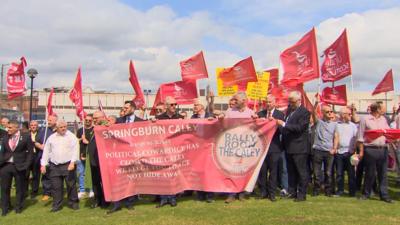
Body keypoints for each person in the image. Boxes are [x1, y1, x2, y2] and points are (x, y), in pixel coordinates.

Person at [107, 100, 144, 214]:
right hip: (120, 155)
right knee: (118, 179)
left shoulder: (141, 122)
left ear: (133, 108)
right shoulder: (119, 121)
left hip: (134, 155)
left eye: (126, 108)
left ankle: (129, 203)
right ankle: (117, 203)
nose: (124, 109)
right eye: (123, 108)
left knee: (131, 179)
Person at [276, 91, 310, 202]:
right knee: (291, 171)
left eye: (292, 102)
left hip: (299, 147)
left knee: (301, 172)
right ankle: (292, 191)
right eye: (289, 101)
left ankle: (302, 194)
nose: (290, 104)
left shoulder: (304, 112)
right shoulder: (289, 111)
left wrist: (284, 124)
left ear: (299, 100)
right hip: (289, 146)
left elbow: (300, 128)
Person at [222, 92, 256, 203]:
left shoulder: (251, 113)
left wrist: (257, 119)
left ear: (243, 101)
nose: (234, 102)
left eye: (236, 100)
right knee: (231, 170)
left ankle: (241, 192)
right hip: (232, 146)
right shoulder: (229, 112)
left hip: (245, 146)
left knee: (243, 170)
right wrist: (218, 118)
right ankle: (231, 193)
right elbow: (222, 123)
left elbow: (256, 127)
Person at [40, 120, 80, 212]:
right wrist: (43, 164)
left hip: (68, 164)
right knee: (56, 187)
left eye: (65, 127)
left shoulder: (71, 136)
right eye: (61, 127)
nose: (63, 128)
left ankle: (73, 203)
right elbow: (46, 151)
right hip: (54, 166)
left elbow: (75, 150)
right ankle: (56, 205)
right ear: (56, 128)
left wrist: (72, 162)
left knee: (71, 185)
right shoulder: (51, 138)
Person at [358, 102, 393, 203]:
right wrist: (361, 151)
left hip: (383, 149)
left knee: (383, 174)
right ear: (378, 109)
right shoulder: (365, 119)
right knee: (370, 173)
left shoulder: (384, 119)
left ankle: (384, 195)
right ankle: (366, 193)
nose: (385, 109)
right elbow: (360, 136)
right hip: (370, 149)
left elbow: (388, 132)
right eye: (383, 107)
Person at [155, 97, 184, 207]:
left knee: (173, 174)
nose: (174, 106)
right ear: (166, 106)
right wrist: (152, 123)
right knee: (163, 174)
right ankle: (163, 198)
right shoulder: (159, 118)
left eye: (175, 104)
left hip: (176, 151)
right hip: (162, 150)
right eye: (171, 105)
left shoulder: (180, 117)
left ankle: (172, 198)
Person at [0, 120, 33, 216]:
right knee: (5, 188)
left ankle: (18, 207)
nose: (7, 129)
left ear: (16, 128)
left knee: (20, 188)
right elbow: (2, 151)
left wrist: (26, 165)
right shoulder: (5, 137)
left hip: (20, 166)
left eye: (10, 127)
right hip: (6, 166)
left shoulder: (26, 137)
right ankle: (5, 208)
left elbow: (30, 153)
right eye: (7, 127)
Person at [256, 95, 284, 202]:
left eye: (270, 102)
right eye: (266, 102)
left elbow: (282, 130)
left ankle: (272, 193)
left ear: (274, 102)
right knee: (262, 171)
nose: (268, 104)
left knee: (273, 171)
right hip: (262, 147)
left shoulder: (280, 114)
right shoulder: (260, 114)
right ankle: (263, 192)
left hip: (274, 147)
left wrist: (275, 122)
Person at [191, 99, 215, 202]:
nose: (194, 107)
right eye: (194, 105)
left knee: (209, 172)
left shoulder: (210, 116)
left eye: (196, 105)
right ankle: (200, 195)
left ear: (202, 106)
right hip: (197, 148)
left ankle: (209, 195)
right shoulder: (193, 117)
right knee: (199, 172)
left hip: (208, 148)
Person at [311, 103, 337, 197]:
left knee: (328, 172)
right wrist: (316, 104)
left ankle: (328, 190)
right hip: (318, 150)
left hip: (329, 151)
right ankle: (316, 190)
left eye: (331, 111)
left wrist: (334, 148)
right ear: (322, 113)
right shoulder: (319, 122)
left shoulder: (335, 124)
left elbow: (336, 137)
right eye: (327, 112)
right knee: (316, 172)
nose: (330, 113)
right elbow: (313, 112)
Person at [333, 107, 357, 197]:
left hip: (350, 152)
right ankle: (340, 190)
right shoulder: (336, 125)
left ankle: (352, 192)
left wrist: (355, 150)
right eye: (349, 114)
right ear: (343, 115)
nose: (350, 115)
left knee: (351, 173)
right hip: (339, 152)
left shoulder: (353, 126)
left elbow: (356, 138)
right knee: (339, 173)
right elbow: (335, 137)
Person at [34, 114, 58, 201]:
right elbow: (36, 142)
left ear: (56, 121)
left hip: (56, 157)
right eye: (48, 120)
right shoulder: (43, 130)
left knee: (56, 175)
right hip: (45, 156)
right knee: (46, 175)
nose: (49, 122)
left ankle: (56, 192)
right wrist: (40, 146)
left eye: (51, 120)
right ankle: (47, 192)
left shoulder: (59, 131)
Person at [88, 111, 108, 209]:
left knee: (104, 182)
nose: (94, 120)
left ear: (103, 117)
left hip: (103, 160)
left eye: (96, 118)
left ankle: (105, 200)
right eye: (94, 118)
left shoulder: (107, 127)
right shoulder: (93, 128)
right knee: (95, 182)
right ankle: (97, 199)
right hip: (93, 160)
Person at [76, 114, 94, 199]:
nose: (87, 121)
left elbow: (95, 142)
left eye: (89, 120)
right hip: (81, 154)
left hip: (90, 154)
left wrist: (87, 141)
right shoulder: (80, 130)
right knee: (81, 173)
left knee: (91, 173)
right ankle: (82, 190)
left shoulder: (94, 130)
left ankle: (91, 190)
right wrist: (80, 139)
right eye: (86, 120)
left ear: (92, 121)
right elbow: (75, 142)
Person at [28, 120, 40, 198]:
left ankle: (34, 191)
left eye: (35, 125)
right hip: (27, 156)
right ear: (29, 126)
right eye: (32, 125)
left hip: (36, 156)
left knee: (36, 174)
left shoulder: (41, 134)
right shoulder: (26, 134)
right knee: (25, 174)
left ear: (37, 126)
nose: (33, 126)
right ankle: (24, 191)